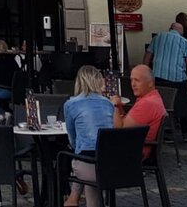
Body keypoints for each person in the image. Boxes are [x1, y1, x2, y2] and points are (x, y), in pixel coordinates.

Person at [62, 66, 116, 207]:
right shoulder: (109, 104)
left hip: (88, 167)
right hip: (111, 165)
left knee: (79, 158)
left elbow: (73, 139)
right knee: (92, 159)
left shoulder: (71, 104)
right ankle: (75, 200)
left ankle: (72, 198)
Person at [144, 22, 187, 136]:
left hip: (158, 80)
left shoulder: (157, 38)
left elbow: (148, 56)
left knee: (160, 104)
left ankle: (163, 131)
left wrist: (145, 73)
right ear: (181, 32)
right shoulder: (184, 42)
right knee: (182, 103)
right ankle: (186, 133)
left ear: (170, 29)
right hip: (177, 81)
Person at [109, 65, 166, 159]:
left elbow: (119, 130)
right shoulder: (152, 97)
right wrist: (119, 107)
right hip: (134, 145)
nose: (133, 84)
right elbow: (126, 121)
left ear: (150, 83)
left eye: (137, 80)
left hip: (134, 151)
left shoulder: (147, 104)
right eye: (131, 80)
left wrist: (114, 105)